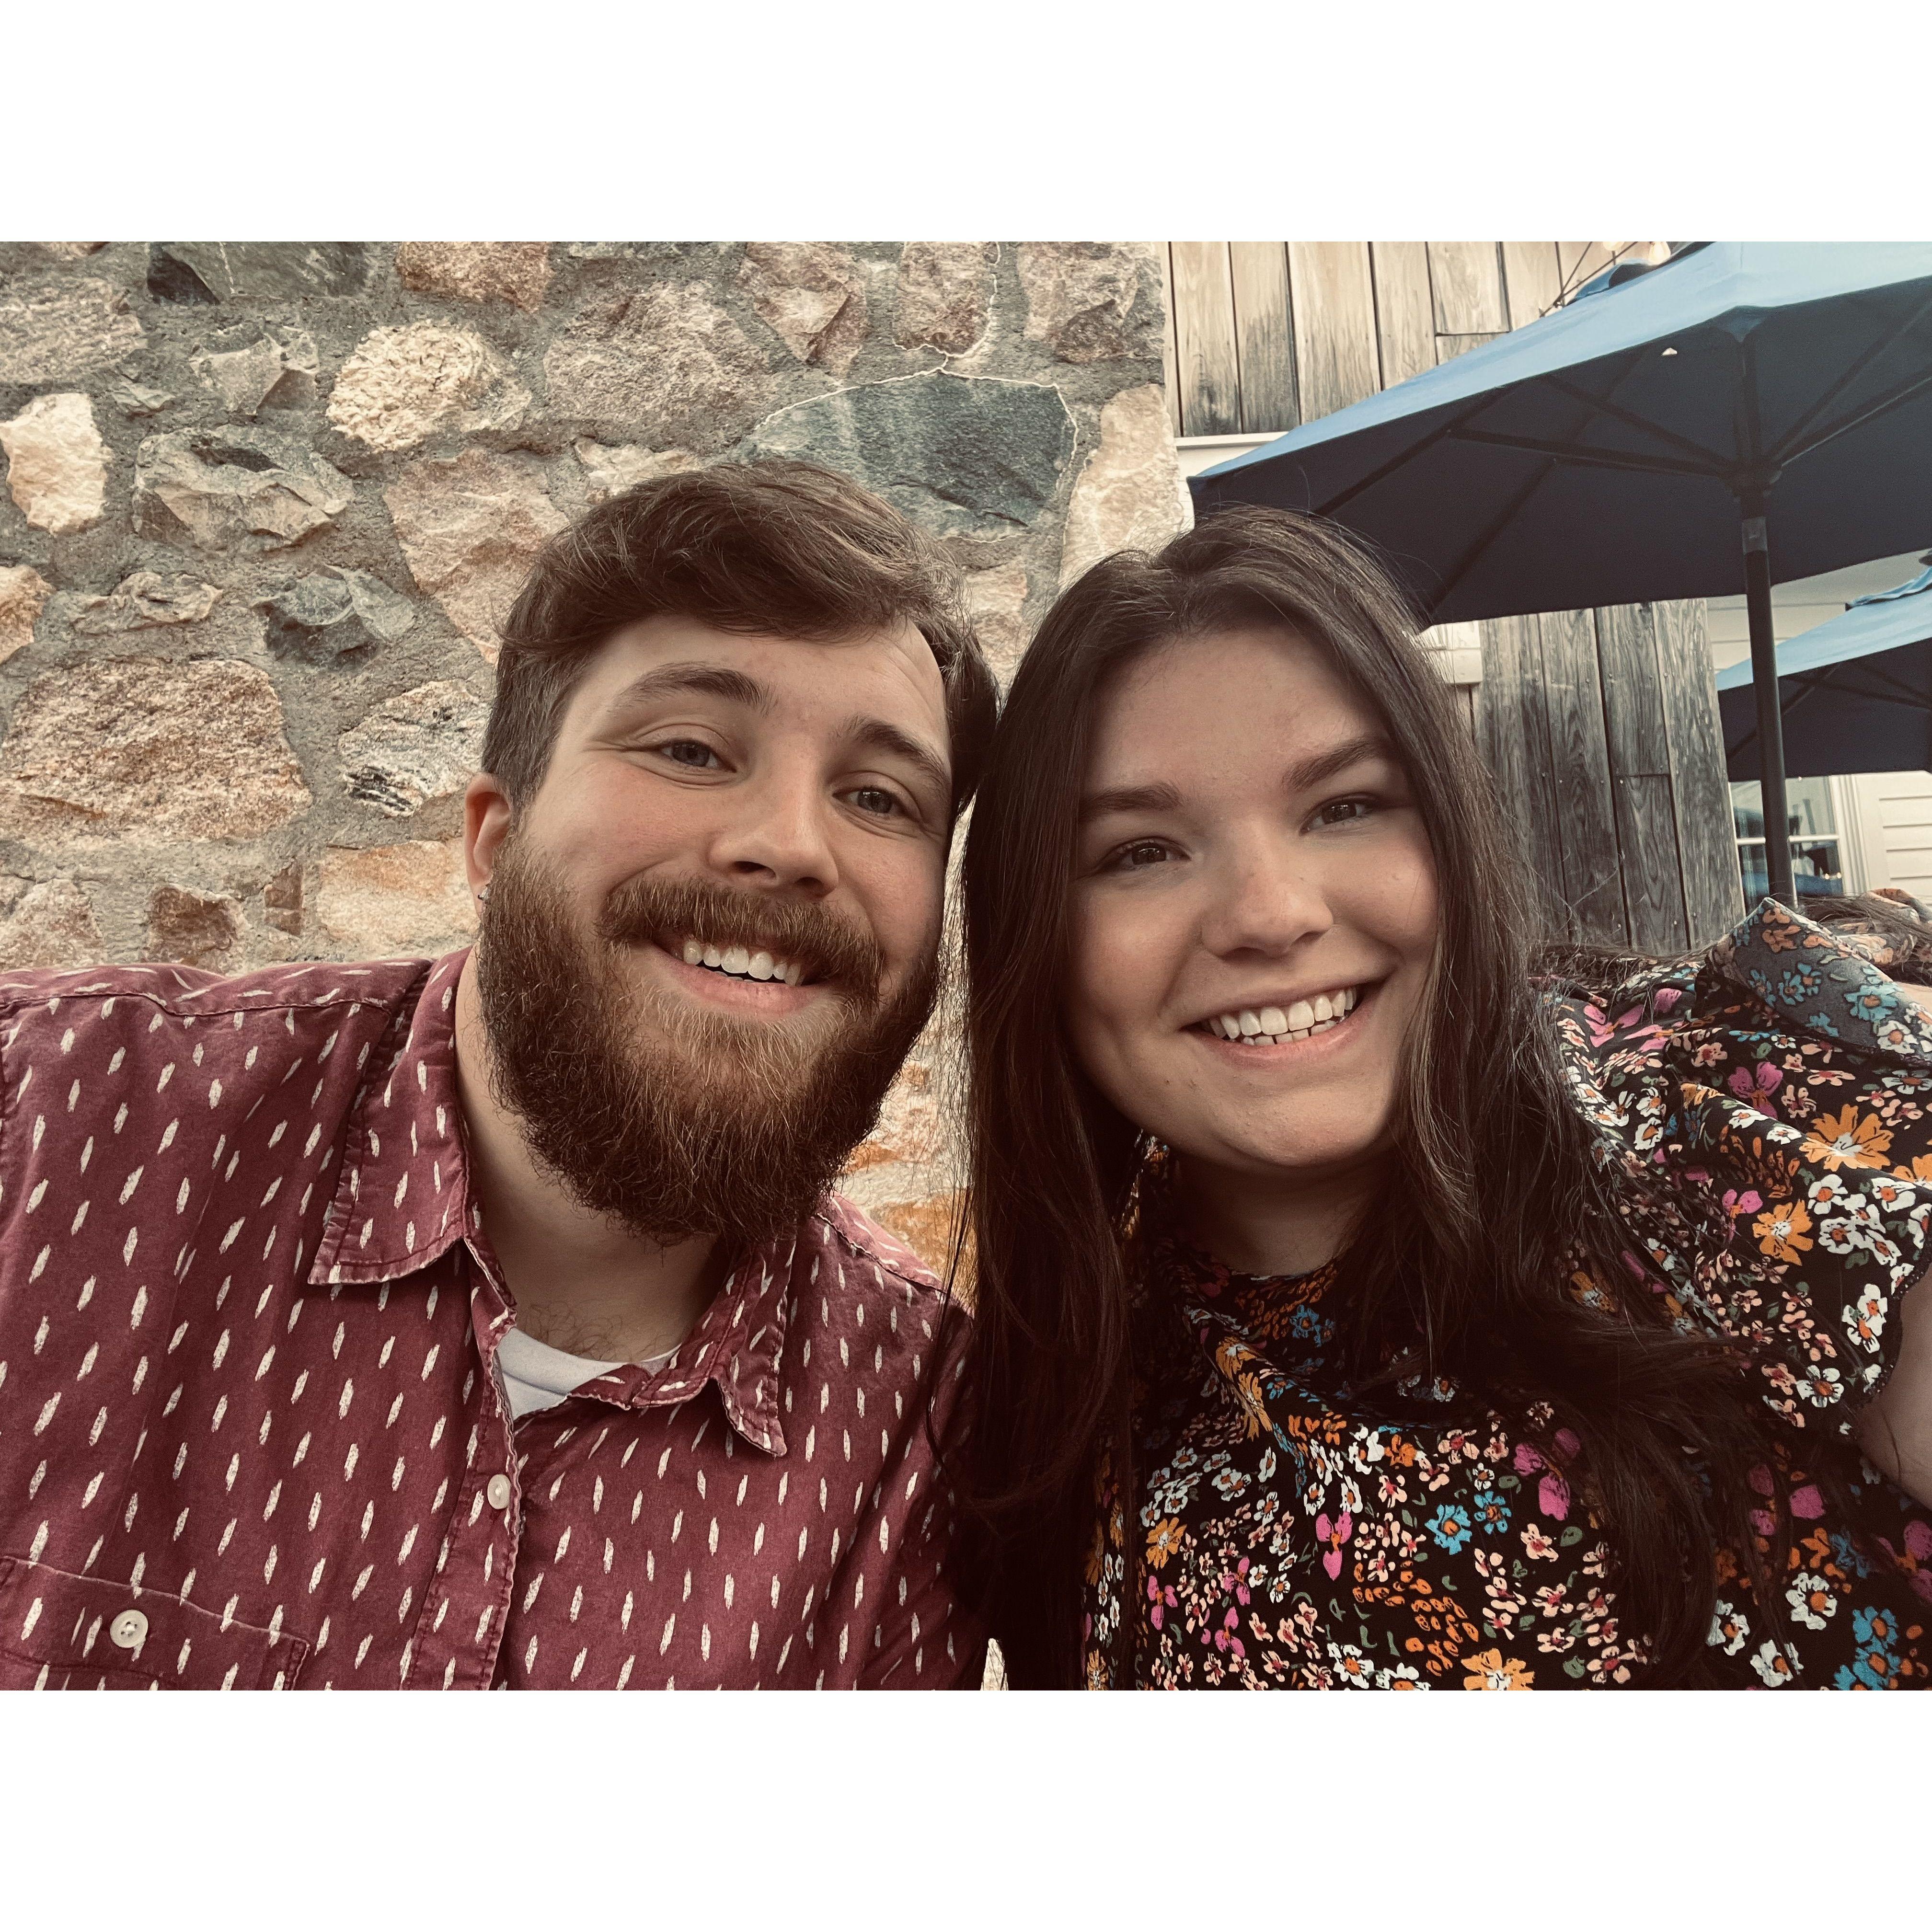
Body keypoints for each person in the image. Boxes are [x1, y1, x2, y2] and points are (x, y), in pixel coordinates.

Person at [0, 460, 996, 1690]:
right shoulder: (50, 1127)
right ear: (494, 837)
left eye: (879, 797)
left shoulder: (922, 1432)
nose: (792, 844)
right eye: (691, 748)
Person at [953, 505, 1932, 1689]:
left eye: (1344, 806)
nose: (1272, 914)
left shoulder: (1729, 1117)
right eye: (1140, 851)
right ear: (1037, 941)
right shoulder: (1044, 1397)